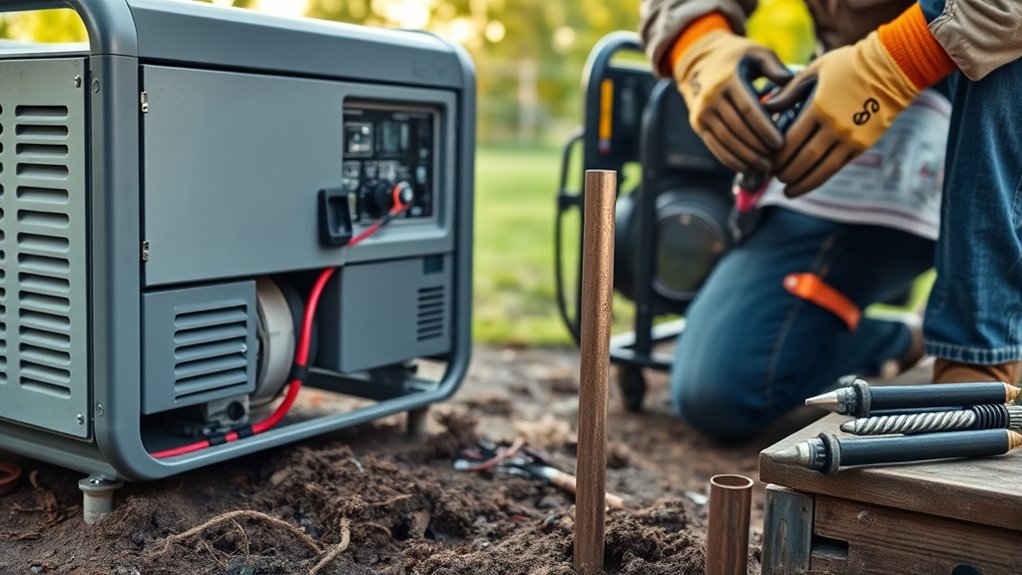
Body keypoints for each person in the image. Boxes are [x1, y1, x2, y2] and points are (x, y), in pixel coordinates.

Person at [638, 0, 955, 440]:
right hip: (851, 109)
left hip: (987, 103)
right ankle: (901, 340)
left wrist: (903, 57)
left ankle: (972, 339)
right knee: (716, 391)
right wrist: (699, 41)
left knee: (974, 382)